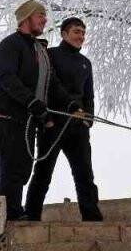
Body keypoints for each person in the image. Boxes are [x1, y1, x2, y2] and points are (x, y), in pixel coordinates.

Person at [0, 0, 78, 221]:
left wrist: (71, 104)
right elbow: (6, 78)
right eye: (40, 15)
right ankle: (8, 218)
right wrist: (31, 102)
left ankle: (12, 213)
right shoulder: (10, 45)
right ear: (26, 18)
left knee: (24, 167)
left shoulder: (39, 50)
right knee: (13, 166)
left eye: (44, 15)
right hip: (6, 116)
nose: (44, 20)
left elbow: (52, 83)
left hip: (28, 118)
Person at [24, 17, 104, 221]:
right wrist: (68, 108)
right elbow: (51, 85)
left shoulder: (86, 63)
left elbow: (89, 95)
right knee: (43, 172)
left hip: (78, 127)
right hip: (54, 123)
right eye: (77, 32)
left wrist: (89, 118)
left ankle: (92, 217)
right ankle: (31, 215)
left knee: (85, 174)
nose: (81, 37)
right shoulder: (50, 56)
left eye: (83, 33)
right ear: (64, 34)